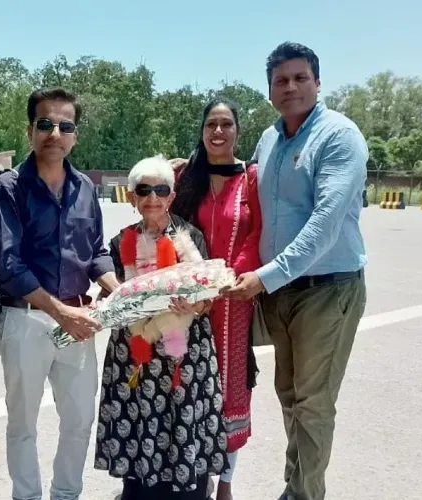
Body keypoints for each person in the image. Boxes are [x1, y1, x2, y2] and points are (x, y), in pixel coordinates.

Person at [227, 42, 368, 500]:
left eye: (300, 78)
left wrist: (265, 277)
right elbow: (248, 184)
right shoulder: (270, 140)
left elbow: (324, 226)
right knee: (290, 396)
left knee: (312, 404)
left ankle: (305, 495)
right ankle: (297, 487)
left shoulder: (338, 137)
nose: (291, 87)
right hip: (283, 290)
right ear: (269, 91)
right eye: (281, 80)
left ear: (318, 82)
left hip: (327, 289)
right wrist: (192, 168)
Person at [0, 87, 121, 500]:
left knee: (79, 419)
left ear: (75, 135)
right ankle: (27, 496)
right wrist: (61, 311)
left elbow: (95, 252)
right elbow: (9, 265)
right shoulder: (7, 190)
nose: (54, 133)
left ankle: (65, 495)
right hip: (26, 320)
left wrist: (120, 292)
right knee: (22, 422)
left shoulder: (84, 189)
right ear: (30, 131)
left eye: (65, 125)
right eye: (45, 123)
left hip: (77, 323)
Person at [94, 155, 229, 500]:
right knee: (139, 420)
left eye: (161, 189)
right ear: (132, 197)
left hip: (183, 349)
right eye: (144, 189)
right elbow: (111, 292)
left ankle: (189, 491)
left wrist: (195, 305)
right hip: (135, 353)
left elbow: (208, 294)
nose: (152, 197)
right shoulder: (120, 241)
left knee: (181, 421)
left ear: (171, 196)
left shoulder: (189, 237)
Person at [169, 99, 262, 500]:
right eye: (211, 124)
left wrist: (227, 277)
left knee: (228, 392)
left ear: (238, 131)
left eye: (226, 124)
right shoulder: (187, 176)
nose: (218, 132)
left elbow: (258, 233)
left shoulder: (252, 178)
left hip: (232, 301)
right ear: (202, 130)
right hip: (187, 304)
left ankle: (224, 481)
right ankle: (188, 475)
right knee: (183, 386)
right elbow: (163, 223)